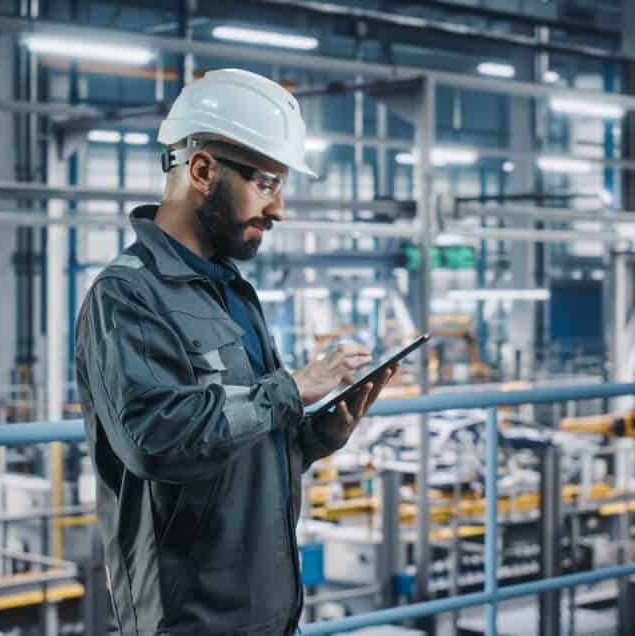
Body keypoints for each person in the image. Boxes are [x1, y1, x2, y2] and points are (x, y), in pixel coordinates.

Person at [74, 68, 398, 635]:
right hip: (189, 619)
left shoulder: (232, 292)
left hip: (268, 610)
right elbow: (154, 441)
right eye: (268, 183)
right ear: (202, 171)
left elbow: (237, 441)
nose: (278, 211)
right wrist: (290, 390)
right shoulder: (126, 296)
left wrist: (312, 436)